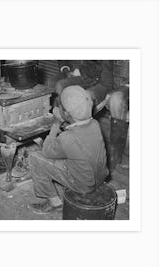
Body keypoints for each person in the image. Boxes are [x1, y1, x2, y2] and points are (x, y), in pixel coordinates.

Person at [29, 85, 108, 214]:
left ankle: (54, 203)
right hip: (100, 177)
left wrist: (55, 125)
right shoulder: (95, 124)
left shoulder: (67, 138)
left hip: (82, 185)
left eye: (60, 107)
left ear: (66, 113)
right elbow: (78, 136)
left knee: (36, 157)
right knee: (74, 153)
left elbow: (47, 151)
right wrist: (66, 123)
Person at [52, 60, 129, 173]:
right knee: (60, 86)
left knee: (110, 99)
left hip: (116, 83)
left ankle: (115, 156)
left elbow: (106, 79)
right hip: (97, 77)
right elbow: (104, 72)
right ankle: (66, 141)